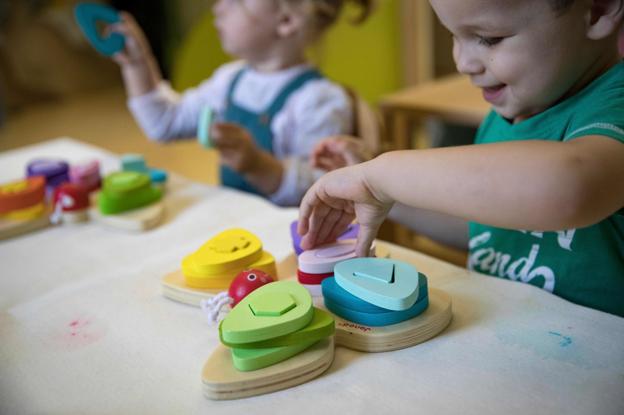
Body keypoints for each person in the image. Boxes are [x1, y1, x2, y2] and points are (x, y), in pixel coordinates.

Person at [299, 0, 624, 317]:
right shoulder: (508, 116)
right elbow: (485, 231)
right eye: (454, 35)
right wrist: (383, 195)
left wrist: (382, 174)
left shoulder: (614, 108)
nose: (462, 62)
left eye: (488, 38)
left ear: (598, 9)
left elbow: (570, 186)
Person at [109, 0, 371, 206]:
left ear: (287, 20)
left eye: (235, 0)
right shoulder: (229, 80)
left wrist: (259, 166)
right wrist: (136, 63)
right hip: (237, 227)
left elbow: (325, 192)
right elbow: (164, 124)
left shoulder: (319, 100)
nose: (217, 7)